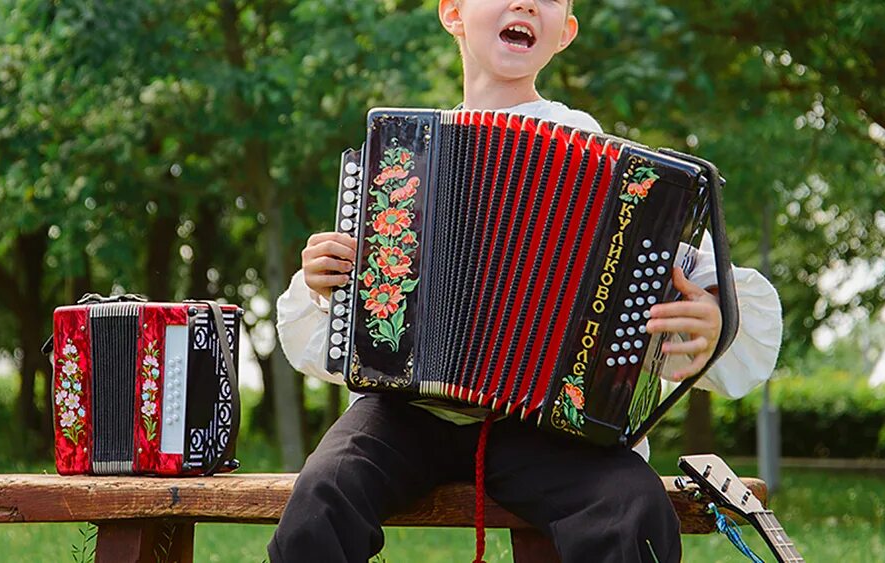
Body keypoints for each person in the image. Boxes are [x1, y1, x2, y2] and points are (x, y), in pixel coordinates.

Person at [268, 1, 783, 561]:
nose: (526, 3)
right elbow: (357, 314)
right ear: (453, 13)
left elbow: (695, 272)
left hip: (549, 425)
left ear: (565, 33)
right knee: (321, 498)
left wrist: (716, 314)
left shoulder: (595, 154)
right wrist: (323, 284)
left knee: (631, 510)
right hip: (405, 410)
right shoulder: (408, 155)